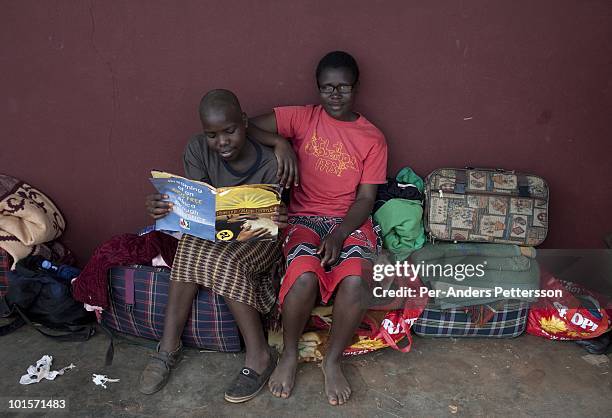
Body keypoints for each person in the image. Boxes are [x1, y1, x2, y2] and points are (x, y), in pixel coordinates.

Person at [247, 51, 388, 405]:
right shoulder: (302, 118)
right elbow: (244, 123)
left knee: (355, 279)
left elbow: (365, 199)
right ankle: (290, 354)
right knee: (304, 274)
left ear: (356, 88)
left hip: (349, 222)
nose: (335, 95)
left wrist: (340, 233)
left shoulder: (372, 138)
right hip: (302, 219)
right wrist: (281, 142)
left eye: (343, 87)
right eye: (327, 88)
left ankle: (333, 360)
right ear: (317, 89)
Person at [139, 89, 288, 403]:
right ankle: (168, 348)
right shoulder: (197, 149)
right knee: (188, 249)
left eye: (230, 131)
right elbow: (197, 205)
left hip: (258, 239)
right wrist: (166, 207)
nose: (222, 142)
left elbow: (269, 220)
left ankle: (259, 356)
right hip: (212, 234)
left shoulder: (269, 162)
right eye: (212, 134)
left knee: (224, 261)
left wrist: (275, 214)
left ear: (245, 123)